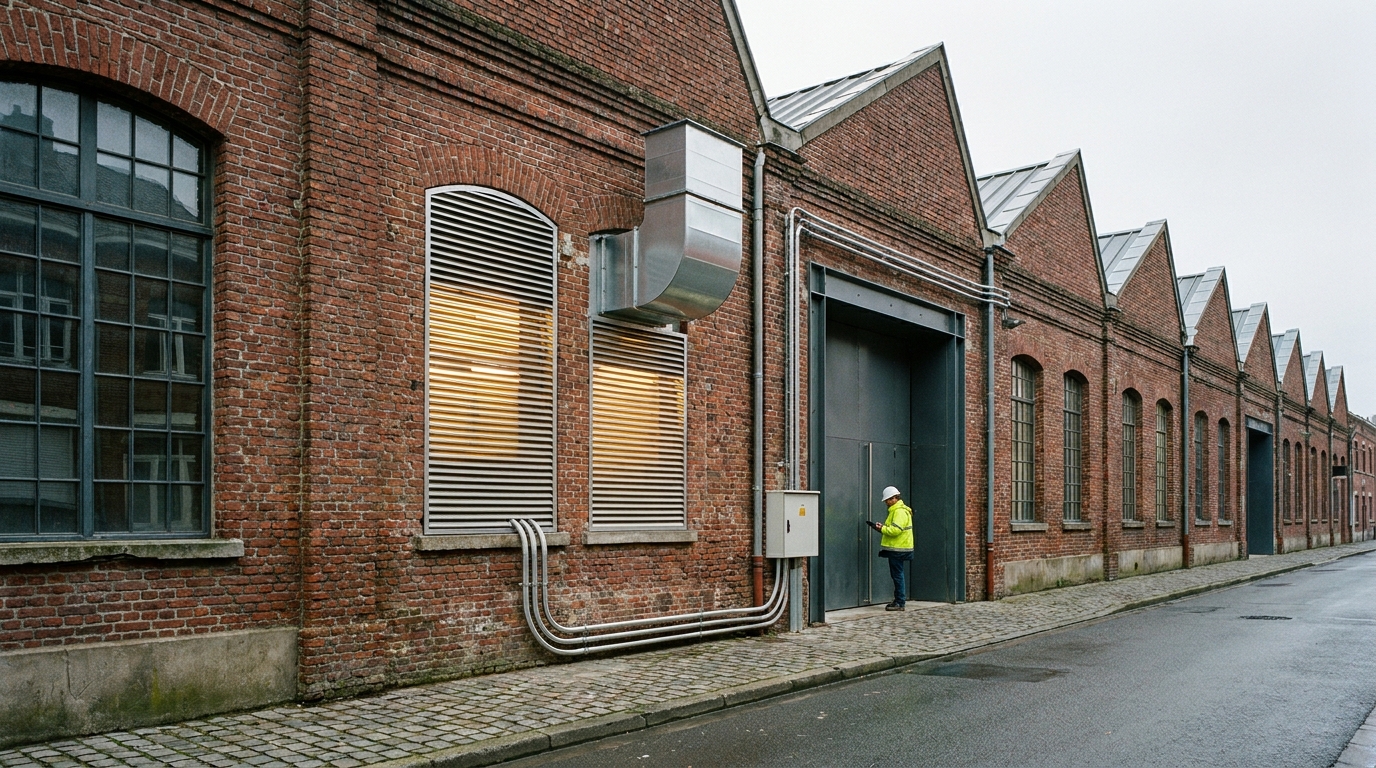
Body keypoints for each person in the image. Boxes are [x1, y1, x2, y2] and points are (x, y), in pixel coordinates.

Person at [870, 485, 914, 611]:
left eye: (888, 500)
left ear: (894, 498)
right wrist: (883, 527)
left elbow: (895, 530)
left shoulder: (899, 512)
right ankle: (899, 600)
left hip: (898, 549)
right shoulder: (898, 511)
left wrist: (882, 528)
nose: (886, 503)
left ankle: (900, 602)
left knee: (897, 575)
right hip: (899, 548)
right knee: (897, 574)